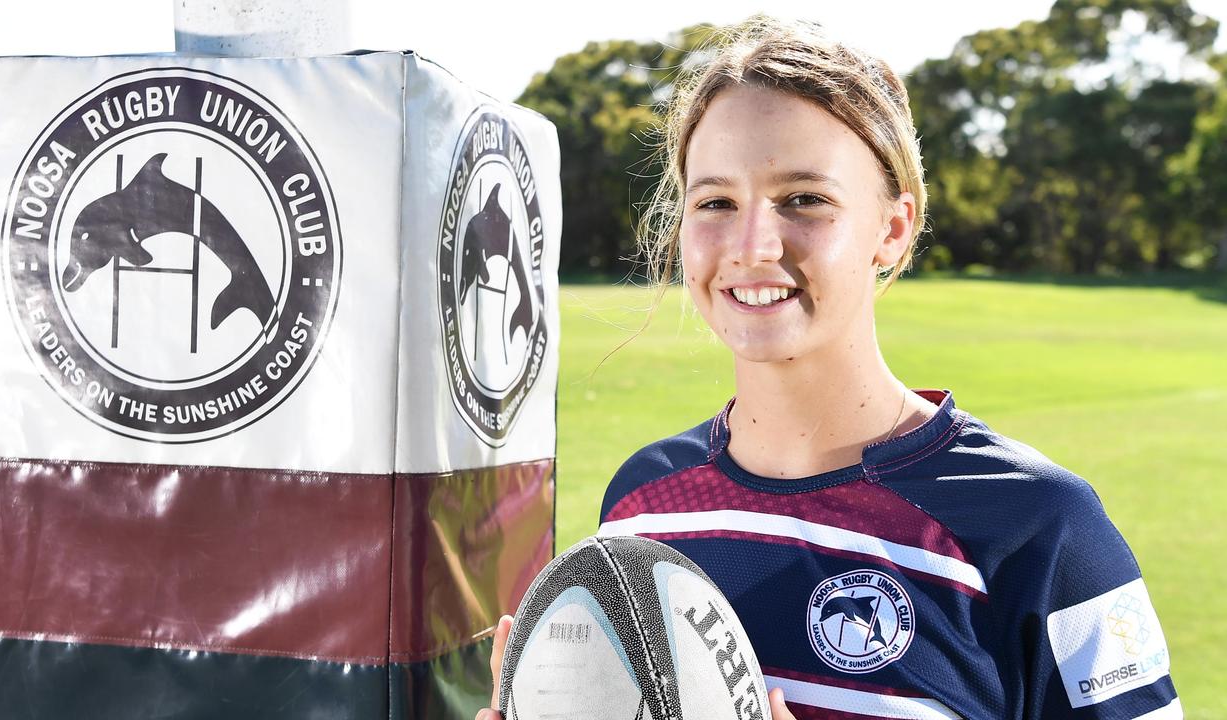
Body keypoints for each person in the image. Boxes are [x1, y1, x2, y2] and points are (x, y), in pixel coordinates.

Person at [479, 15, 1178, 720]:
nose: (752, 245)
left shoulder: (1033, 524)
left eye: (803, 200)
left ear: (892, 227)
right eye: (716, 202)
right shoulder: (642, 509)